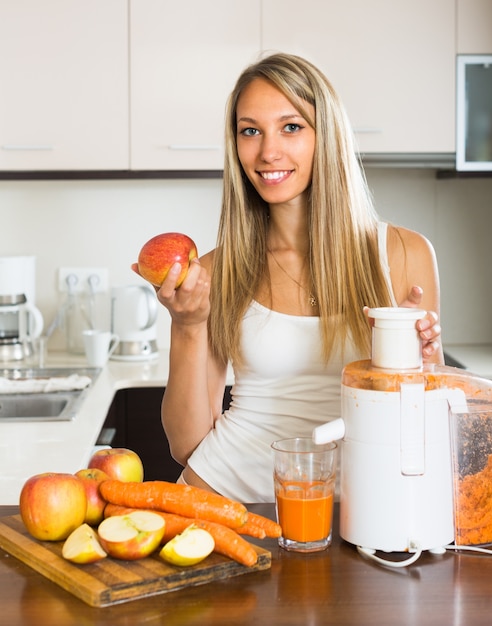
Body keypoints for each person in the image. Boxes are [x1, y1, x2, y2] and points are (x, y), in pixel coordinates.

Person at [133, 52, 443, 503]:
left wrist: (423, 367)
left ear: (326, 136)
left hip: (362, 511)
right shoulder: (218, 270)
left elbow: (420, 423)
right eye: (250, 131)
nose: (267, 151)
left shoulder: (404, 255)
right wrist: (187, 325)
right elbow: (186, 445)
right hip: (229, 502)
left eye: (291, 127)